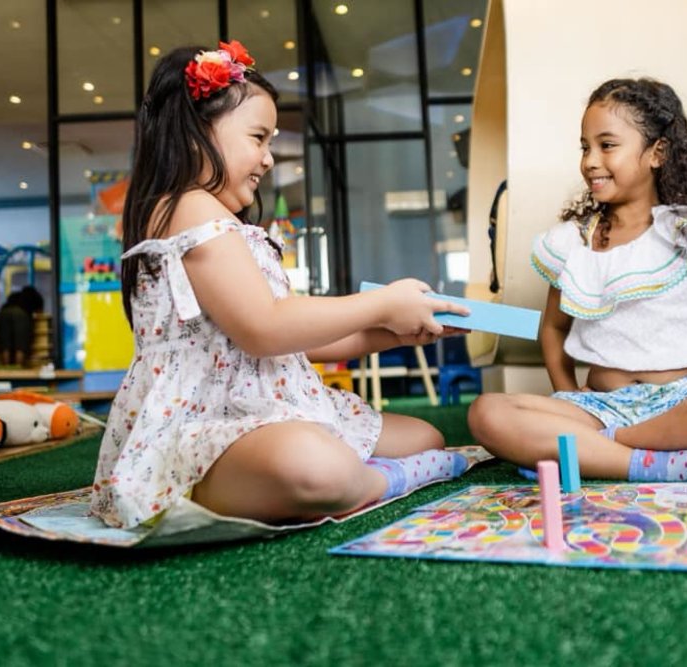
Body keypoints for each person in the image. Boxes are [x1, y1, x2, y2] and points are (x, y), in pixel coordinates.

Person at [91, 41, 470, 529]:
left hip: (273, 405)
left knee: (424, 436)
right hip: (206, 426)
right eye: (259, 137)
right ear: (193, 133)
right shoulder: (187, 206)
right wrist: (379, 302)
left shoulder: (222, 221)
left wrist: (401, 329)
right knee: (317, 467)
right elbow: (265, 328)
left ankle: (348, 478)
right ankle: (378, 483)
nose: (269, 158)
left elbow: (298, 341)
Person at [468, 77, 687, 483]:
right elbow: (554, 330)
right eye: (585, 147)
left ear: (657, 153)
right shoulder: (574, 243)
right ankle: (658, 462)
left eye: (607, 145)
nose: (590, 160)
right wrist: (570, 393)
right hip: (599, 408)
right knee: (487, 413)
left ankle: (600, 450)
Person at [0, 285, 44, 366]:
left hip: (4, 313)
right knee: (20, 346)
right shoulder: (36, 298)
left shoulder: (14, 296)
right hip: (21, 314)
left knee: (5, 346)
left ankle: (5, 369)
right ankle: (19, 369)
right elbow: (40, 313)